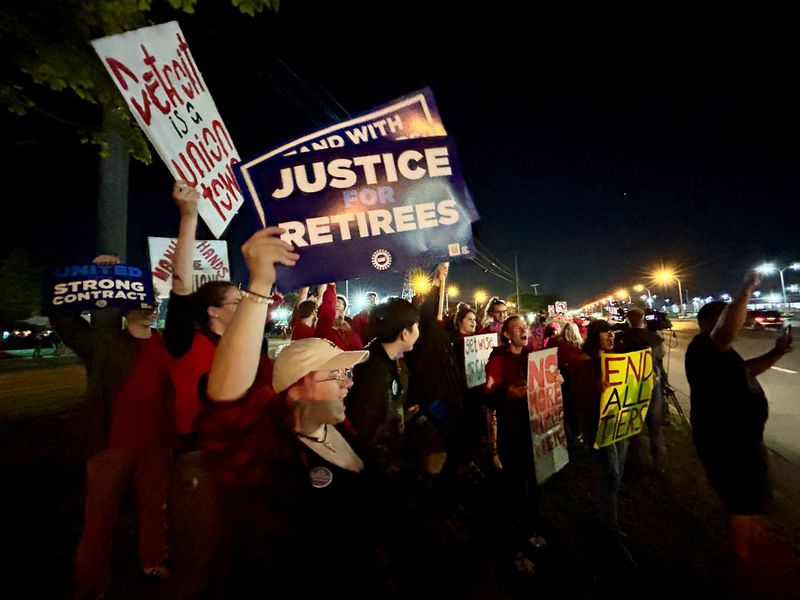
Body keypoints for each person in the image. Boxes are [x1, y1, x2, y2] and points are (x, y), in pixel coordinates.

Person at [51, 255, 173, 598]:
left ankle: (153, 562)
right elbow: (64, 319)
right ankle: (91, 583)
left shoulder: (165, 345)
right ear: (124, 309)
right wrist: (99, 272)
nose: (151, 308)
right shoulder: (105, 345)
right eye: (143, 303)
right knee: (99, 519)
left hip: (156, 446)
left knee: (154, 510)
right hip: (110, 448)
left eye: (155, 303)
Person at [686, 272, 793, 562]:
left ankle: (753, 538)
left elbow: (748, 370)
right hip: (727, 441)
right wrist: (745, 290)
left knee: (749, 495)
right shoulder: (703, 347)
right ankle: (741, 560)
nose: (740, 320)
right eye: (727, 317)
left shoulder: (723, 355)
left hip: (744, 438)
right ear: (711, 322)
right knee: (740, 500)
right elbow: (724, 331)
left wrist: (777, 352)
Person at [485, 315, 547, 574]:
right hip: (512, 433)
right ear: (507, 335)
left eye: (526, 327)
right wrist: (507, 393)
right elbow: (489, 398)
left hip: (534, 431)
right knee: (514, 488)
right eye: (518, 328)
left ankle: (533, 529)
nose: (525, 331)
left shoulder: (535, 357)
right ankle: (515, 546)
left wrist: (556, 382)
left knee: (533, 482)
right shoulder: (497, 360)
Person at [570, 319, 631, 557]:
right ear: (595, 336)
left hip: (620, 423)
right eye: (606, 333)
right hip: (598, 425)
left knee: (615, 475)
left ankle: (605, 515)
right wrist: (596, 387)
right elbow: (578, 396)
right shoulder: (583, 361)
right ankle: (609, 528)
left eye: (612, 333)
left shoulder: (615, 358)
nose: (611, 337)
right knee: (610, 474)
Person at [614, 306, 667, 472]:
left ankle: (634, 463)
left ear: (628, 320)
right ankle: (659, 465)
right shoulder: (655, 338)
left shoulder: (620, 338)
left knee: (631, 427)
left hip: (629, 387)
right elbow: (660, 355)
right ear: (643, 319)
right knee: (655, 427)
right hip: (652, 385)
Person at [316, 283, 364, 350]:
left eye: (341, 310)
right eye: (336, 308)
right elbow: (328, 308)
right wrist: (331, 286)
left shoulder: (347, 333)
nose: (340, 312)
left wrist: (349, 332)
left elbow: (358, 349)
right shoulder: (324, 327)